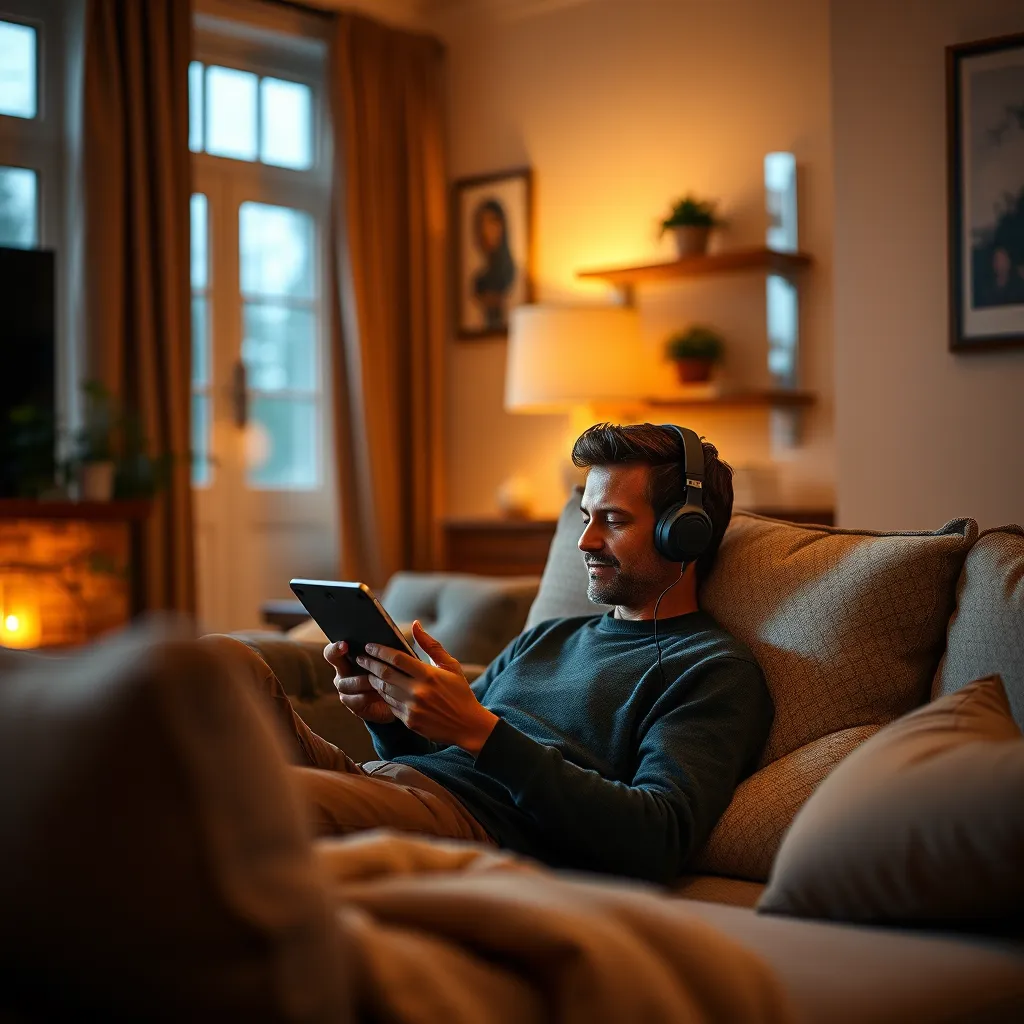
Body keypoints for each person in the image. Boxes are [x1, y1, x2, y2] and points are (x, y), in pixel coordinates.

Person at [213, 423, 772, 886]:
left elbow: (659, 837)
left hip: (471, 829)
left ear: (686, 535)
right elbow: (449, 749)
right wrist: (395, 720)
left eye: (615, 521)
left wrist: (481, 730)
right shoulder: (549, 637)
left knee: (229, 794)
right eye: (586, 519)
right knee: (215, 665)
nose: (585, 542)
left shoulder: (712, 670)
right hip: (387, 782)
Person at [471, 198, 515, 330]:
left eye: (491, 222)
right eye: (481, 224)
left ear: (502, 226)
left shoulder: (510, 273)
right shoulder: (480, 279)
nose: (485, 231)